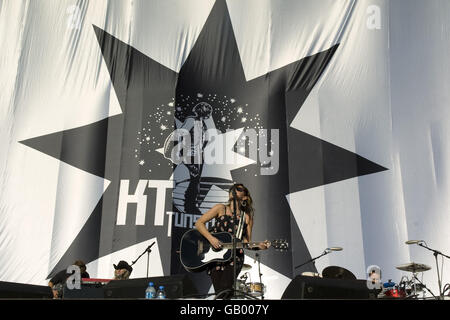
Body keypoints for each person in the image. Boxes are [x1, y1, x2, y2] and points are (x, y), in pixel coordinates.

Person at [195, 183, 270, 299]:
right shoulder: (220, 208)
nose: (234, 189)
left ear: (245, 197)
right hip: (215, 256)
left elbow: (246, 242)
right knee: (220, 292)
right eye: (233, 188)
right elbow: (199, 223)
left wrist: (260, 246)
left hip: (234, 257)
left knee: (225, 288)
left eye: (239, 189)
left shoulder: (246, 217)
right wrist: (211, 238)